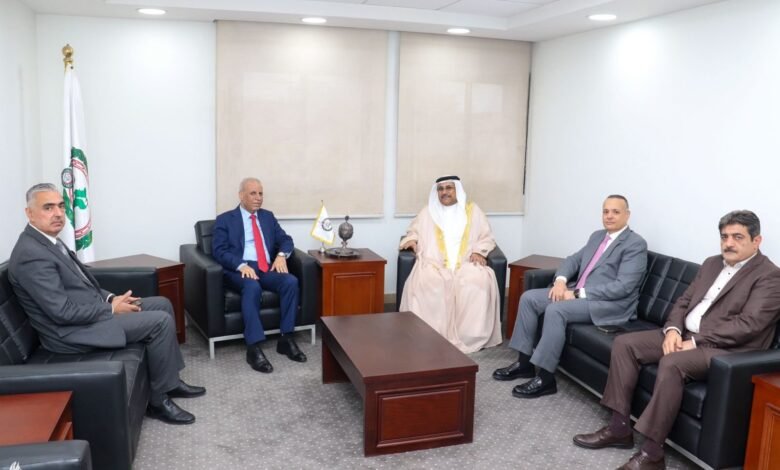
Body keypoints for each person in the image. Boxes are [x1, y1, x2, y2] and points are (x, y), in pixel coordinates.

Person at [573, 210, 780, 470]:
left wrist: (695, 342)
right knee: (625, 344)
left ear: (756, 241)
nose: (728, 243)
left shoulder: (770, 276)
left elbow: (749, 325)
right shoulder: (712, 263)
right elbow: (683, 301)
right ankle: (619, 428)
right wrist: (672, 329)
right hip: (686, 335)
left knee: (672, 362)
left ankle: (652, 454)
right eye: (724, 236)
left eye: (737, 237)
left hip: (727, 350)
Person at [9, 183, 205, 425]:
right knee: (160, 322)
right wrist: (111, 309)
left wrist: (111, 298)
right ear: (29, 213)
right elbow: (61, 312)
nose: (58, 213)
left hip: (85, 316)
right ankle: (157, 402)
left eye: (60, 206)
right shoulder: (31, 254)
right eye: (48, 208)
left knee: (162, 304)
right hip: (69, 333)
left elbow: (81, 284)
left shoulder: (48, 241)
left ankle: (170, 382)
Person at [493, 195, 648, 398]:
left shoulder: (635, 244)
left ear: (627, 215)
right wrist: (560, 281)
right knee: (529, 298)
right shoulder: (597, 236)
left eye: (615, 212)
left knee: (556, 310)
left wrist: (576, 293)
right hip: (578, 293)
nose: (609, 216)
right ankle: (524, 364)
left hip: (608, 304)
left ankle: (546, 378)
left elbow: (623, 287)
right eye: (605, 211)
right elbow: (573, 260)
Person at [212, 177, 306, 373]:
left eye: (261, 193)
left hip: (265, 267)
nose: (258, 197)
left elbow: (286, 239)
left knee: (290, 281)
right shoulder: (225, 219)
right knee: (252, 286)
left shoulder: (268, 217)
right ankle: (253, 347)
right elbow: (219, 251)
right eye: (253, 193)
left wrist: (281, 256)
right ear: (241, 196)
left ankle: (286, 338)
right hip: (240, 269)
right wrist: (240, 265)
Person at [399, 175, 502, 354]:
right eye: (441, 189)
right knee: (428, 282)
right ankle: (431, 336)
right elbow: (413, 231)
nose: (444, 192)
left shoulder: (473, 211)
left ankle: (470, 335)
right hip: (435, 264)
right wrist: (412, 240)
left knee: (478, 280)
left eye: (449, 188)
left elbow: (486, 237)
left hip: (466, 263)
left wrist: (479, 251)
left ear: (457, 190)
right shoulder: (428, 212)